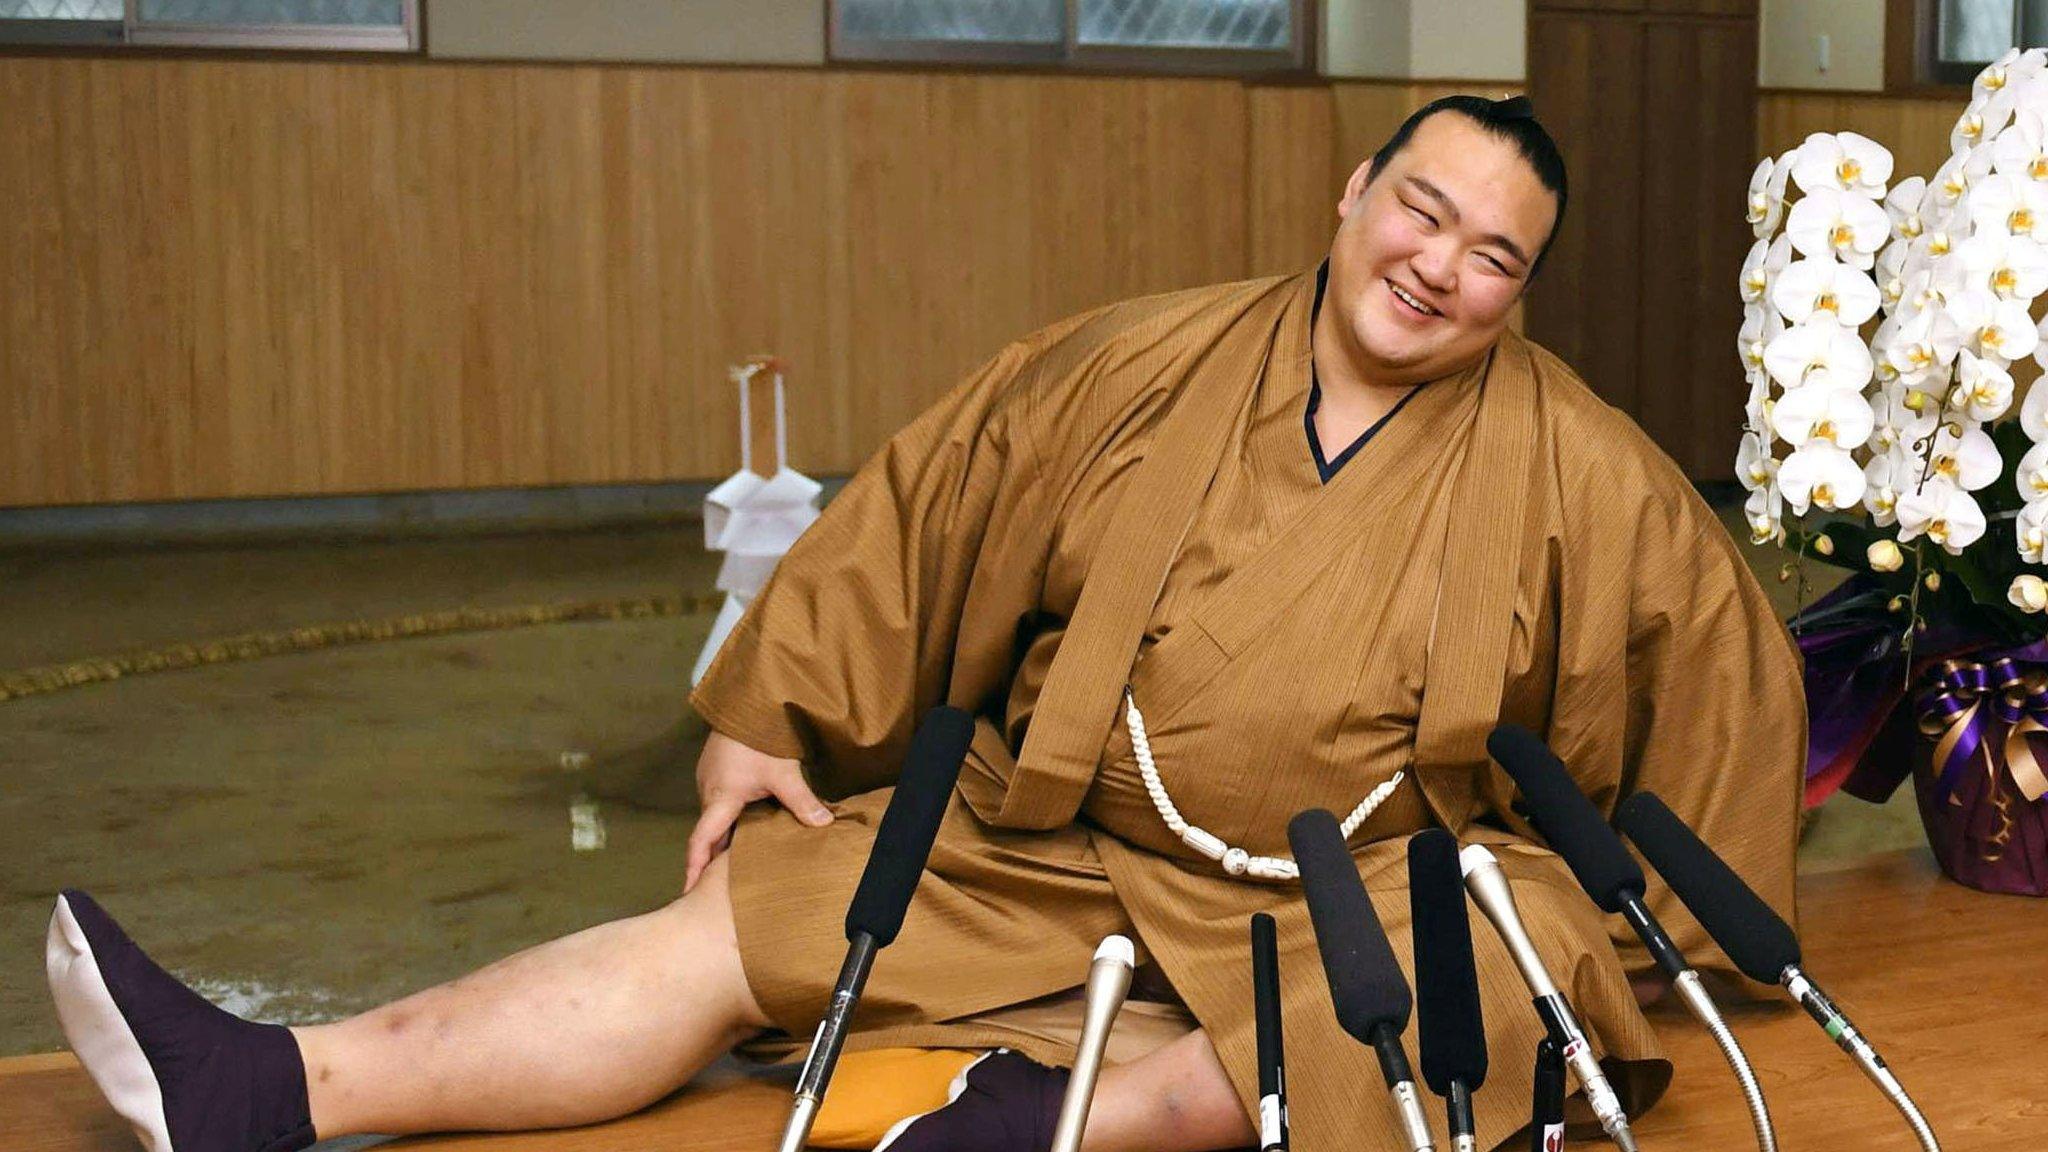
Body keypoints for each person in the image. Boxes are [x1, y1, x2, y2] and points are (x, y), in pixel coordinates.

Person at [46, 96, 1805, 1152]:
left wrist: (1692, 915)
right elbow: (929, 500)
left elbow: (1716, 649)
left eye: (1494, 254)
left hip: (1356, 900)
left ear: (1519, 295)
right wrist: (774, 708)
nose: (1439, 264)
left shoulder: (1588, 465)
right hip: (1054, 847)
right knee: (749, 916)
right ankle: (283, 1083)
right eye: (1422, 208)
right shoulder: (1141, 360)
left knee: (1491, 973)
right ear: (1353, 193)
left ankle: (1051, 1130)